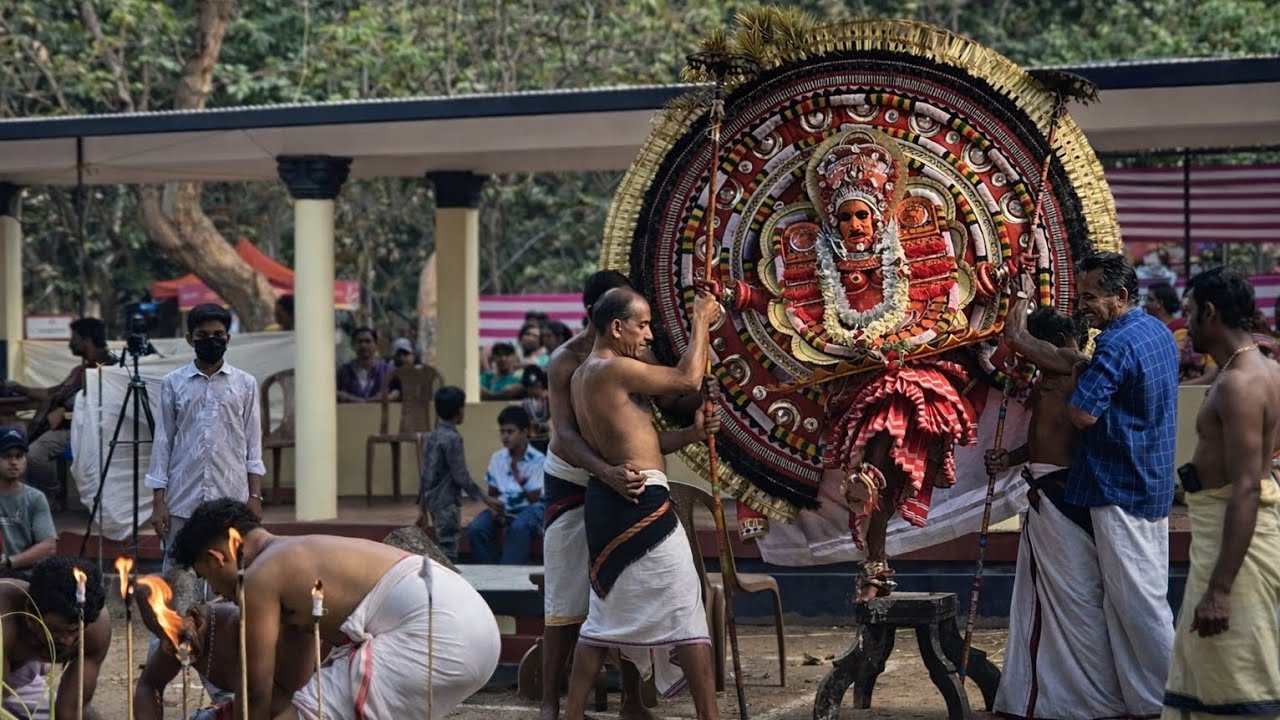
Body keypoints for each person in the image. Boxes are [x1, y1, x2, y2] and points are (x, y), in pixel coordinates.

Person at [539, 270, 712, 720]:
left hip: (614, 496)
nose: (649, 334)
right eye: (643, 325)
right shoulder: (609, 367)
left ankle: (576, 712)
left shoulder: (591, 372)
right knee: (686, 613)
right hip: (634, 499)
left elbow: (639, 438)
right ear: (616, 326)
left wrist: (691, 434)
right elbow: (687, 380)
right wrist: (701, 320)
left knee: (604, 620)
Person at [169, 498, 500, 719]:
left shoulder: (260, 577)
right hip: (474, 629)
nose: (213, 590)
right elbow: (293, 689)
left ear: (217, 558)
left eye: (206, 576)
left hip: (440, 633)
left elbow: (255, 694)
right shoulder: (291, 562)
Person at [987, 275, 1130, 719]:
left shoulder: (1070, 362)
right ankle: (1045, 696)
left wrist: (1021, 295)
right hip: (1044, 489)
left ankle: (1089, 699)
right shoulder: (1054, 372)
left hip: (1060, 494)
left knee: (1074, 600)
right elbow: (1044, 437)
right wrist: (1009, 458)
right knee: (1045, 600)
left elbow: (1014, 336)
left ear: (1053, 343)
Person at [1164, 268, 1280, 718]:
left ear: (1209, 313)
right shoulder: (1260, 369)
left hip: (1237, 555)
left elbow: (1247, 487)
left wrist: (1220, 590)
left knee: (1238, 677)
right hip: (1229, 539)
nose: (1187, 323)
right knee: (1213, 668)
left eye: (1190, 311)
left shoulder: (1239, 383)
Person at [1067, 251, 1179, 717]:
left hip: (1118, 484)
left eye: (1090, 297)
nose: (1083, 305)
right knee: (1133, 600)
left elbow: (1081, 413)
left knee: (1139, 607)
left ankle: (1177, 698)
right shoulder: (1156, 331)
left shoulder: (1113, 344)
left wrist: (1074, 373)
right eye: (1081, 296)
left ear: (1120, 295)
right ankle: (1146, 702)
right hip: (1149, 480)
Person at [147, 303, 266, 575]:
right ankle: (177, 619)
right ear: (190, 339)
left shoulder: (245, 384)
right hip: (182, 496)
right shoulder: (172, 383)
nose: (211, 340)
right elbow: (163, 442)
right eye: (202, 335)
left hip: (231, 495)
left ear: (228, 338)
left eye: (218, 334)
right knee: (179, 570)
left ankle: (223, 618)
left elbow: (253, 442)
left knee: (230, 567)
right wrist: (158, 502)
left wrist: (255, 495)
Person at [4, 317, 115, 508]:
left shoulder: (107, 367)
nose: (70, 343)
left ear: (87, 341)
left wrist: (65, 412)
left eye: (74, 338)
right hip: (62, 423)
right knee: (12, 429)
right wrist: (19, 387)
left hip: (83, 428)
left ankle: (53, 494)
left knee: (34, 455)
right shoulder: (80, 370)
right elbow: (51, 393)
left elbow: (101, 403)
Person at [0, 556, 111, 720]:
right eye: (56, 630)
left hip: (23, 673)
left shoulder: (94, 628)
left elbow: (71, 712)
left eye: (74, 631)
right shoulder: (4, 620)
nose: (67, 641)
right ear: (29, 611)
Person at [418, 386, 501, 562]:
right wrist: (484, 498)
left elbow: (425, 474)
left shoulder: (431, 437)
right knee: (448, 550)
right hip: (447, 502)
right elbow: (460, 476)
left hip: (433, 502)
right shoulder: (453, 439)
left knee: (441, 544)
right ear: (459, 411)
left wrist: (422, 508)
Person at [466, 405, 546, 564]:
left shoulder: (538, 459)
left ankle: (508, 582)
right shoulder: (497, 458)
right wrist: (495, 510)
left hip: (530, 509)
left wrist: (516, 472)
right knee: (476, 529)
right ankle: (492, 579)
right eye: (502, 432)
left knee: (519, 527)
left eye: (510, 432)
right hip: (504, 508)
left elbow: (534, 498)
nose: (505, 437)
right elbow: (493, 493)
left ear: (524, 432)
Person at [0, 428, 57, 582]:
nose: (13, 462)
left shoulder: (35, 498)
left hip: (24, 577)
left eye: (19, 456)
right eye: (6, 456)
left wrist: (10, 562)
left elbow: (48, 546)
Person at [336, 327, 391, 403]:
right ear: (352, 345)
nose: (363, 345)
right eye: (359, 341)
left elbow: (399, 391)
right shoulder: (343, 371)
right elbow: (331, 392)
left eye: (367, 341)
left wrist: (385, 397)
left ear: (376, 345)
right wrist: (349, 398)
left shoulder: (387, 370)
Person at [521, 365, 551, 453]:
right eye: (531, 386)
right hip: (532, 439)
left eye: (537, 385)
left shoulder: (549, 398)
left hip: (549, 438)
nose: (535, 389)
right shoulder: (525, 403)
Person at [386, 337, 416, 402]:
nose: (402, 358)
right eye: (398, 355)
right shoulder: (389, 378)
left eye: (405, 354)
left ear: (413, 356)